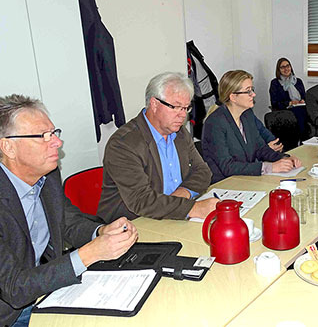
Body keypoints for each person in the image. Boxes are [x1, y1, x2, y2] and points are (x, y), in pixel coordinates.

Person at [0, 94, 138, 326]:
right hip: (11, 314)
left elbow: (67, 221)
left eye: (54, 133)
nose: (57, 142)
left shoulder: (48, 174)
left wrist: (101, 232)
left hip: (48, 291)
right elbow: (15, 288)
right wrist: (90, 253)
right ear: (8, 147)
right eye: (42, 136)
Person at [97, 72, 217, 223]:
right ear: (154, 104)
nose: (182, 116)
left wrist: (182, 194)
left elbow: (203, 172)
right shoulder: (123, 144)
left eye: (186, 108)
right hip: (133, 223)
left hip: (173, 216)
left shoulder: (180, 133)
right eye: (175, 107)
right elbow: (141, 201)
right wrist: (192, 208)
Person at [202, 70, 301, 184]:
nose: (253, 95)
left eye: (252, 90)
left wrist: (283, 158)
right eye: (248, 91)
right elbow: (227, 167)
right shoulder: (215, 123)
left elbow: (260, 148)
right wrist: (269, 167)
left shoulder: (247, 115)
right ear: (233, 97)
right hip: (225, 185)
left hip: (245, 179)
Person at [269, 58, 308, 140]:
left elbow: (304, 96)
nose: (286, 69)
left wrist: (303, 100)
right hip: (285, 109)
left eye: (287, 66)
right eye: (282, 67)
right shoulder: (275, 83)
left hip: (300, 107)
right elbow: (274, 102)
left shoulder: (298, 81)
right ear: (278, 70)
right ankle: (301, 140)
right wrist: (290, 103)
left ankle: (305, 139)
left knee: (307, 112)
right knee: (299, 114)